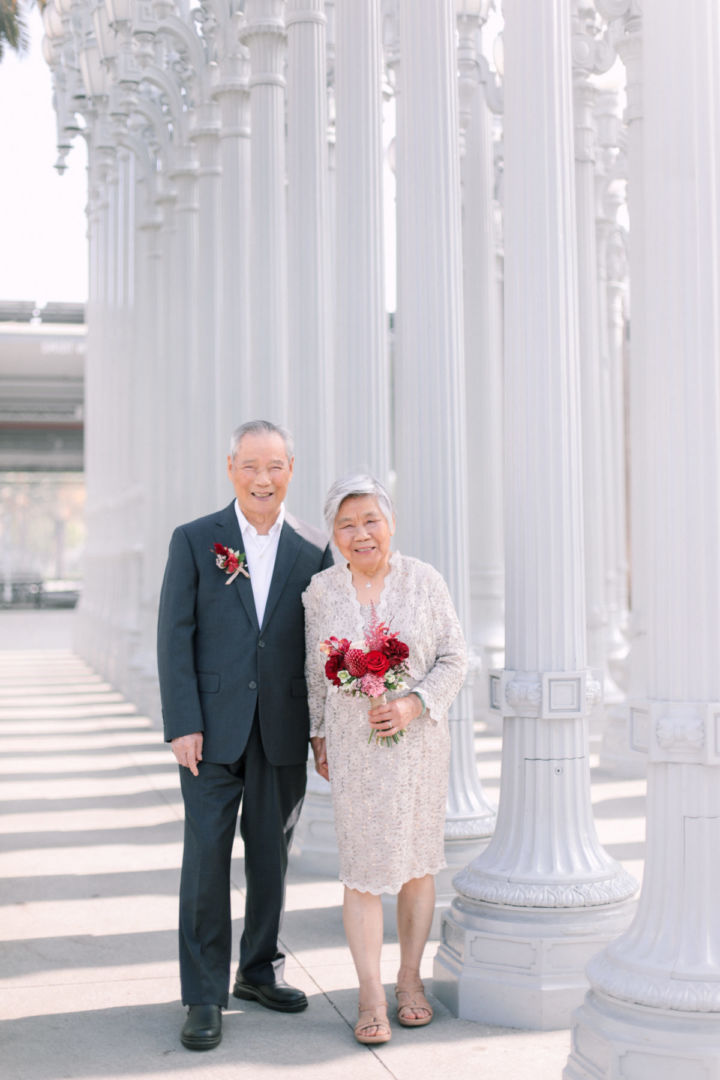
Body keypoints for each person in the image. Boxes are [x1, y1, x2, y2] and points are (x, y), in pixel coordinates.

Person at [157, 420, 333, 1051]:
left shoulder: (315, 549)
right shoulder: (195, 540)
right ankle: (202, 994)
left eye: (276, 466)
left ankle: (258, 971)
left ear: (292, 468)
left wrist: (321, 730)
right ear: (231, 466)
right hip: (209, 734)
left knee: (271, 861)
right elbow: (174, 636)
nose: (264, 478)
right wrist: (182, 722)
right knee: (206, 863)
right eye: (251, 465)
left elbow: (321, 648)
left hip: (282, 731)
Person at [302, 475, 467, 1045]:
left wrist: (413, 703)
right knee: (362, 872)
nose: (360, 533)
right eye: (346, 525)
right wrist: (318, 735)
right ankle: (369, 993)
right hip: (353, 749)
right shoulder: (321, 591)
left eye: (370, 520)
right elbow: (311, 669)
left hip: (418, 745)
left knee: (419, 865)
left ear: (390, 523)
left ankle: (409, 980)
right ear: (333, 535)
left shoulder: (425, 581)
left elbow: (454, 658)